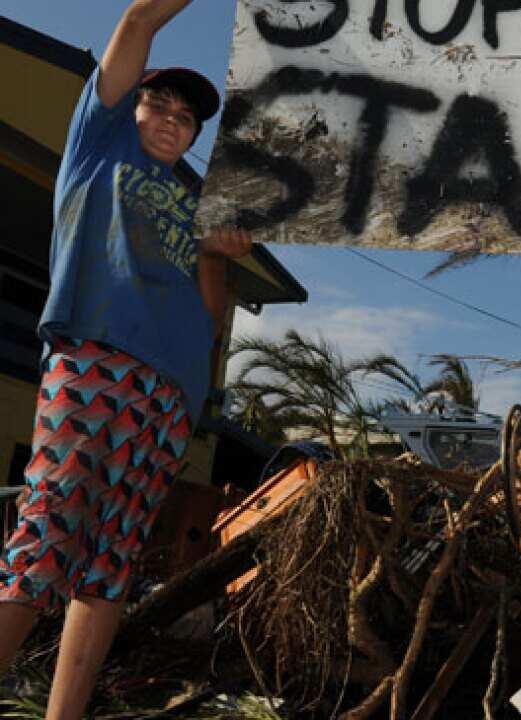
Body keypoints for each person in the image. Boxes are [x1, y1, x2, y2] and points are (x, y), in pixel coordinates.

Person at [0, 1, 250, 717]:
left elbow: (207, 320)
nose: (171, 118)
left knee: (109, 567)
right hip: (95, 365)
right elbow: (140, 19)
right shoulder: (99, 145)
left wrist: (213, 255)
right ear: (128, 105)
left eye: (186, 115)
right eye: (157, 103)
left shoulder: (198, 205)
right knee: (47, 534)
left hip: (169, 398)